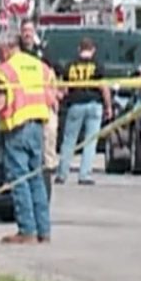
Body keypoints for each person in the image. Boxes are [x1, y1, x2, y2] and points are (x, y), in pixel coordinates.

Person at [0, 30, 53, 244]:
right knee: (36, 178)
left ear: (6, 48)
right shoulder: (40, 66)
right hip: (37, 126)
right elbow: (52, 96)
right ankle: (43, 230)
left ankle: (27, 229)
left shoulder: (4, 71)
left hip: (16, 129)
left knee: (19, 180)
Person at [55, 37, 112, 185]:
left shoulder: (70, 65)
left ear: (79, 49)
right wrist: (109, 106)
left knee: (69, 141)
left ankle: (62, 174)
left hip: (75, 104)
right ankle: (84, 175)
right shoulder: (97, 65)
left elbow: (64, 89)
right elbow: (103, 87)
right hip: (94, 104)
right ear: (93, 50)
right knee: (90, 141)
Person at [19, 18, 59, 200]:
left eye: (30, 30)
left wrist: (55, 96)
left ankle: (45, 193)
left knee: (46, 155)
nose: (27, 34)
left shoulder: (42, 54)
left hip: (44, 108)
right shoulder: (17, 53)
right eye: (25, 30)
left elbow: (54, 75)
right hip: (22, 110)